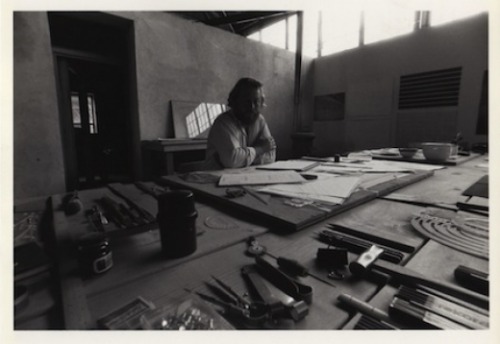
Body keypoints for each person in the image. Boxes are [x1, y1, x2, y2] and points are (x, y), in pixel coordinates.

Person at [203, 77, 276, 170]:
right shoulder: (223, 123)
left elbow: (271, 156)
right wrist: (260, 149)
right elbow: (232, 160)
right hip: (215, 180)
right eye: (247, 101)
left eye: (256, 101)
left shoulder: (260, 120)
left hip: (248, 176)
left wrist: (244, 157)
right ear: (235, 101)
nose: (252, 107)